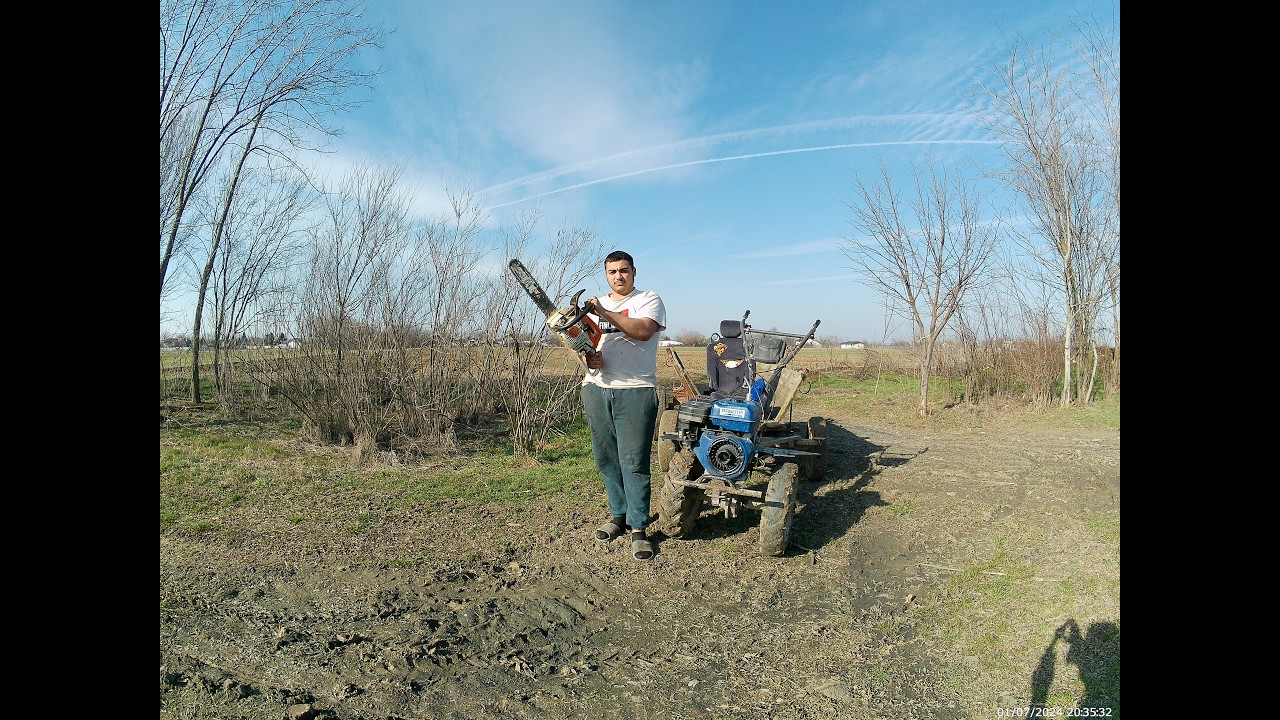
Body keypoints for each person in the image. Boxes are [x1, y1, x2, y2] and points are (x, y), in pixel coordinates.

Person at [580, 250, 667, 561]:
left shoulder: (648, 299)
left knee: (633, 461)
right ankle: (618, 515)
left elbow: (642, 332)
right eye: (612, 271)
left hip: (635, 390)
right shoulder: (594, 309)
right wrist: (588, 357)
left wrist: (603, 311)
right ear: (606, 274)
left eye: (624, 270)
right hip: (596, 389)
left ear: (634, 272)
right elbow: (586, 343)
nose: (618, 276)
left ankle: (639, 528)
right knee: (606, 458)